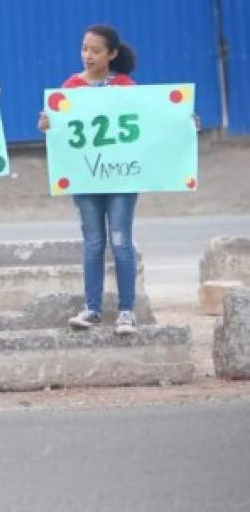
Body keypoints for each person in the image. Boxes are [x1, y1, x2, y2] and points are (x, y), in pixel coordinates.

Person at [37, 24, 200, 335]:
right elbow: (59, 129)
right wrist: (47, 123)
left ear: (111, 54)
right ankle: (92, 309)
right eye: (84, 48)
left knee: (121, 240)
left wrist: (184, 122)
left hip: (122, 179)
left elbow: (153, 119)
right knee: (93, 242)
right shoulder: (70, 87)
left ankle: (127, 311)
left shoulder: (126, 86)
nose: (88, 55)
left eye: (95, 50)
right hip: (86, 177)